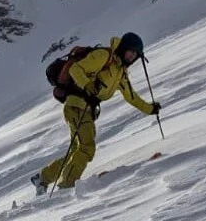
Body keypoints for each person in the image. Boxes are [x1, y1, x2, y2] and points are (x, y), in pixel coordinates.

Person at [32, 32, 161, 193]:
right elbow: (75, 70)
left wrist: (151, 109)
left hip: (85, 109)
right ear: (123, 48)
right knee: (86, 148)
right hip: (77, 105)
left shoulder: (120, 72)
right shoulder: (104, 56)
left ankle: (42, 178)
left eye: (135, 54)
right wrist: (87, 85)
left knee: (76, 150)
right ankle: (66, 186)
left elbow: (131, 97)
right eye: (131, 51)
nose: (132, 56)